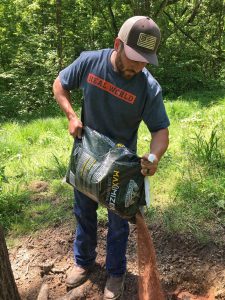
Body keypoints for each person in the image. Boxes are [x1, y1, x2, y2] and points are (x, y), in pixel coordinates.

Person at [53, 15, 170, 300]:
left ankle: (115, 274)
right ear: (118, 44)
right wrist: (71, 116)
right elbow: (60, 84)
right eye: (134, 58)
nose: (139, 66)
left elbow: (161, 132)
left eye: (145, 60)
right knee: (84, 212)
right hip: (86, 158)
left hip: (120, 167)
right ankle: (83, 263)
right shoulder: (90, 62)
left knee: (118, 224)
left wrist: (153, 157)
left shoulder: (147, 87)